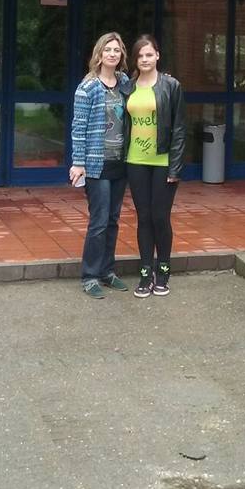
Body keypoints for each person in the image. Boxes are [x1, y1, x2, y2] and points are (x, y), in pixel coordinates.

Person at [121, 35, 186, 298]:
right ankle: (146, 273)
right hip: (135, 161)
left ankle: (164, 271)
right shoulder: (128, 87)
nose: (145, 59)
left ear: (157, 55)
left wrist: (175, 168)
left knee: (160, 217)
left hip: (162, 163)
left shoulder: (171, 85)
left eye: (149, 54)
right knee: (144, 217)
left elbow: (179, 129)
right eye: (140, 56)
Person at [70, 32, 130, 299]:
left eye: (117, 50)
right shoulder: (88, 87)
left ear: (121, 54)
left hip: (120, 163)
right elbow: (78, 127)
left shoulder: (125, 83)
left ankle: (107, 271)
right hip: (96, 164)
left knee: (113, 220)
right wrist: (78, 162)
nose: (112, 54)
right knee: (99, 221)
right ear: (99, 54)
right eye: (108, 49)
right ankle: (90, 276)